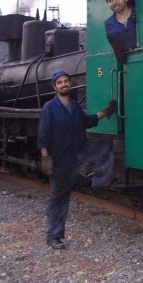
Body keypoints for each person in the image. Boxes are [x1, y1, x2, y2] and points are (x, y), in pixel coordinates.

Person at [37, 70, 117, 249]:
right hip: (60, 161)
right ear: (55, 87)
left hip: (79, 153)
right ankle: (53, 236)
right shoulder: (49, 108)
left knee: (105, 145)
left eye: (66, 81)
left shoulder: (74, 105)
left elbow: (87, 121)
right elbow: (43, 136)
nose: (64, 84)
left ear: (70, 84)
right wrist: (46, 159)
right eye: (60, 82)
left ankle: (99, 182)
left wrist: (105, 112)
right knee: (58, 198)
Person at [103, 0, 136, 64]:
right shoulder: (108, 24)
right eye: (110, 0)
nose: (114, 3)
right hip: (129, 65)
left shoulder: (139, 13)